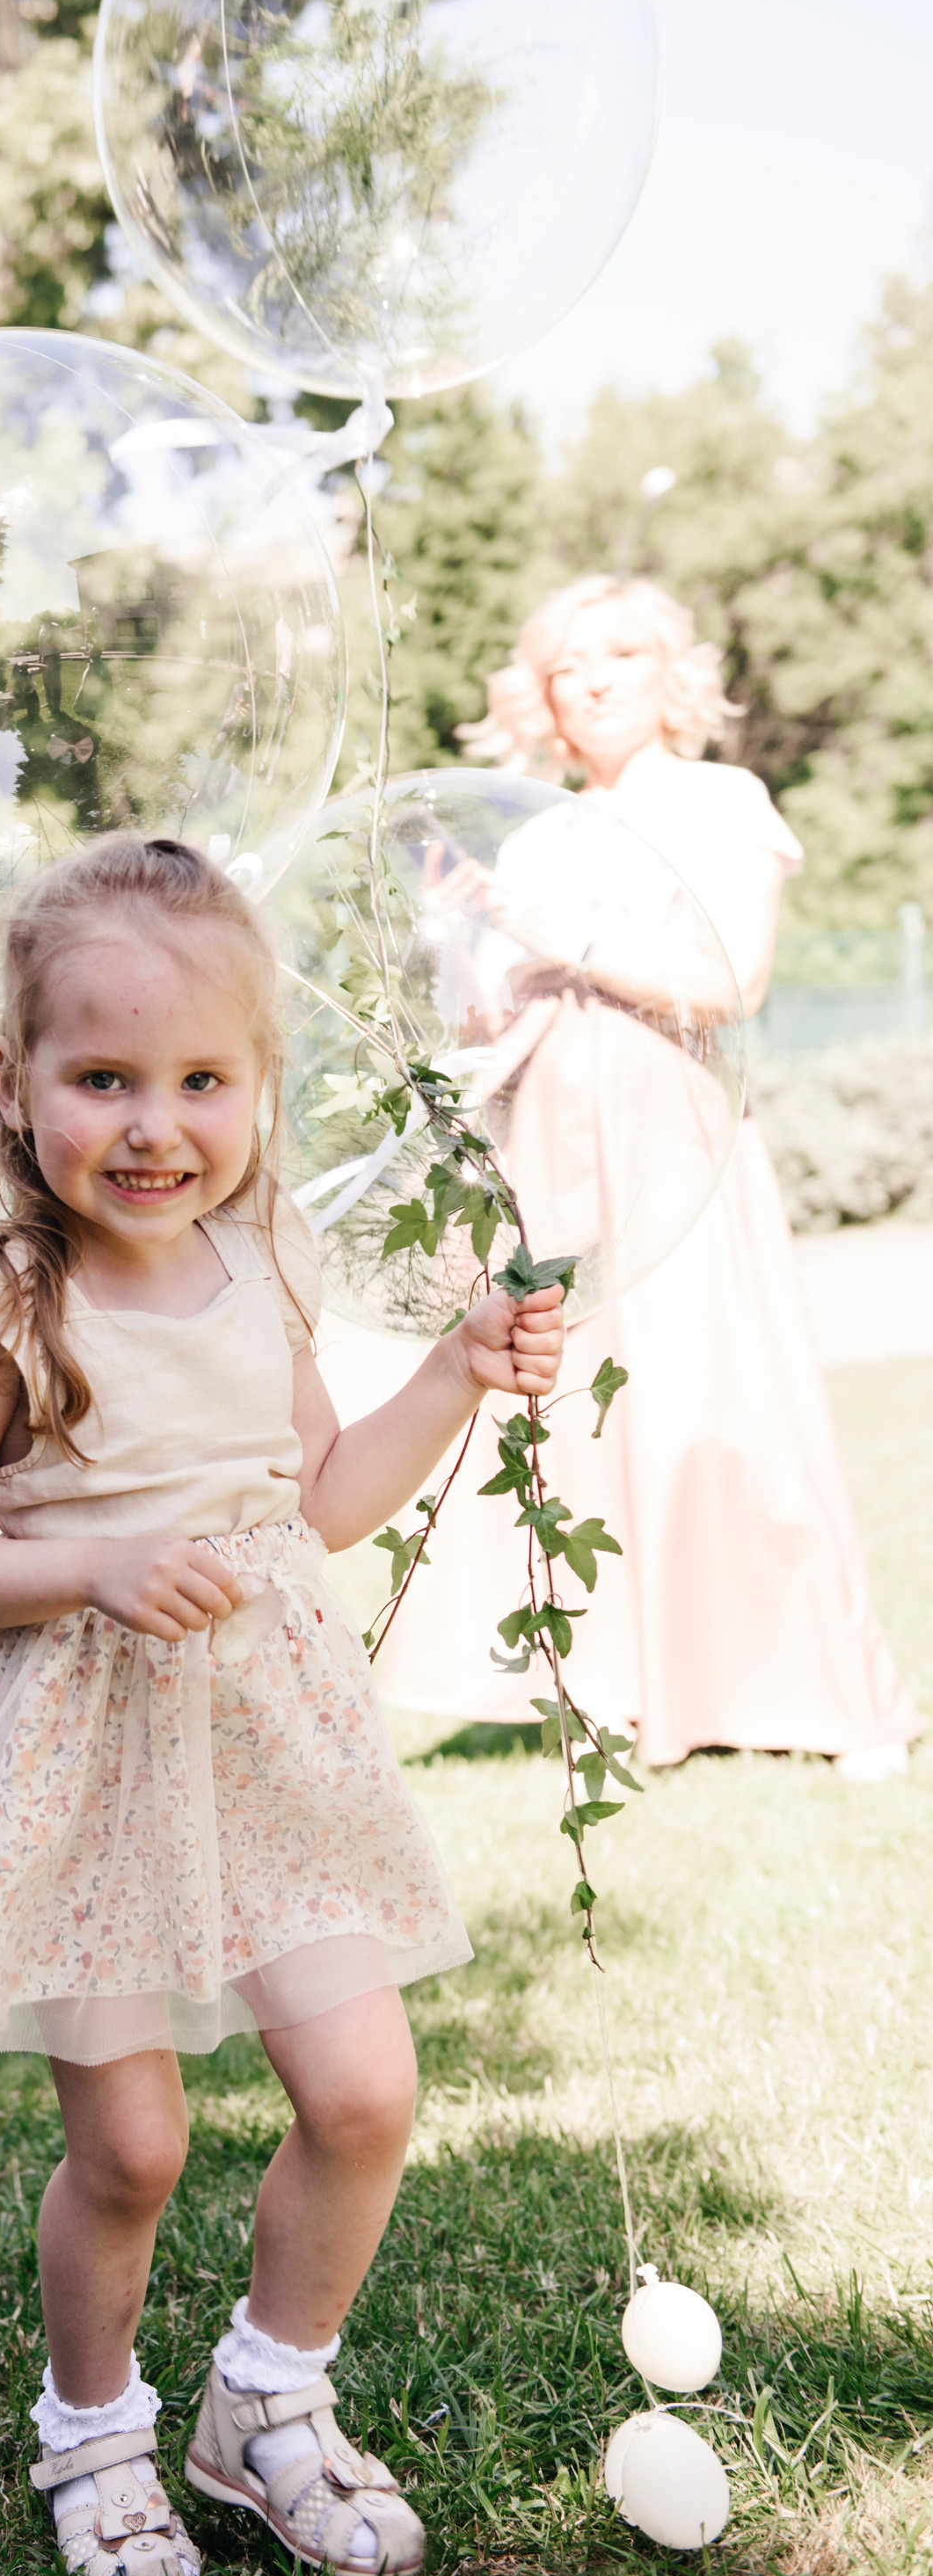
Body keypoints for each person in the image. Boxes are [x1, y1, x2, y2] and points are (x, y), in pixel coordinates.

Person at [0, 837, 564, 2576]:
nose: (156, 1124)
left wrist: (451, 1372)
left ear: (257, 1090)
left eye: (200, 1080)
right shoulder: (5, 1306)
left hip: (269, 1748)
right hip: (79, 1756)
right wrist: (87, 1563)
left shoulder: (268, 1260)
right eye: (103, 1078)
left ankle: (266, 2404)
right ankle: (91, 2435)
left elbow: (313, 1496)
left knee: (366, 2088)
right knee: (133, 2144)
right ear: (17, 1082)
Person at [375, 573, 921, 1779]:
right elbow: (494, 1015)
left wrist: (550, 936)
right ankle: (612, 1689)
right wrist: (459, 941)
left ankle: (822, 1695)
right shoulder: (542, 830)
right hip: (550, 1145)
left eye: (622, 652)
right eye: (571, 665)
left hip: (675, 1133)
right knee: (573, 1417)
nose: (599, 678)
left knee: (720, 1406)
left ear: (671, 674)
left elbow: (731, 984)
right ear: (545, 698)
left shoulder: (722, 800)